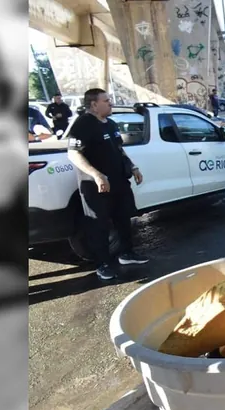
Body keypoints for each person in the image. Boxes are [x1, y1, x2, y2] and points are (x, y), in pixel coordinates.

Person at [67, 88, 149, 280]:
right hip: (96, 186)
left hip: (119, 182)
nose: (110, 103)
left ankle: (127, 254)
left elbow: (119, 150)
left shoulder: (110, 124)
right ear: (94, 105)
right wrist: (96, 175)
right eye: (106, 100)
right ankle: (102, 264)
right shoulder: (83, 124)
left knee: (123, 219)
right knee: (99, 226)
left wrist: (133, 167)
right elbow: (73, 153)